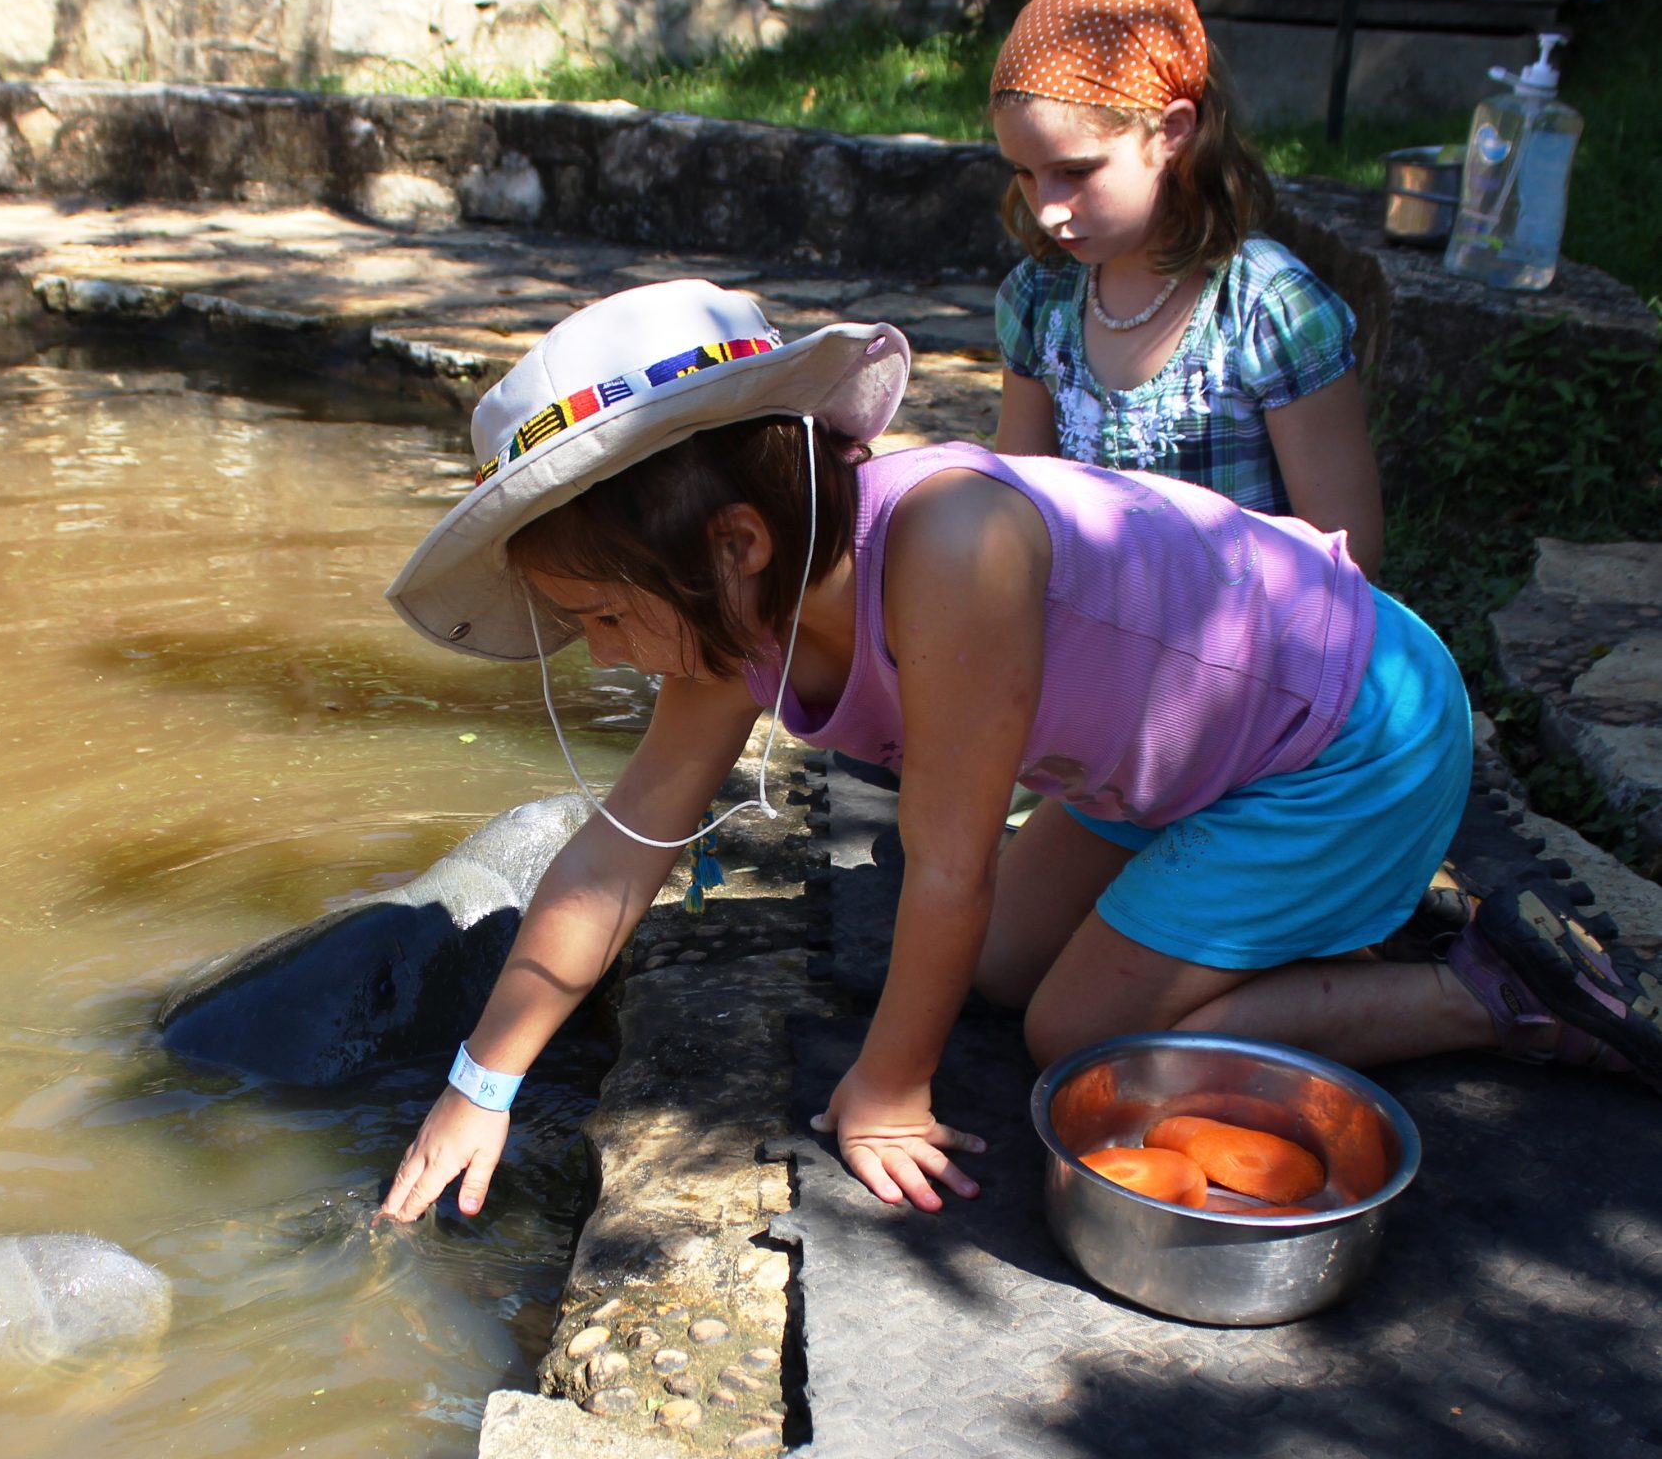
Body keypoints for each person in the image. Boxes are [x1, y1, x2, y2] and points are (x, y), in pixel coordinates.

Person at [375, 279, 1660, 1222]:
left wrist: (889, 1087)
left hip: (1345, 739)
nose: (601, 653)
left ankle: (1489, 992)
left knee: (1071, 1038)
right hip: (1183, 757)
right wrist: (480, 1078)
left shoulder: (951, 547)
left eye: (603, 615)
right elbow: (624, 841)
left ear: (734, 544)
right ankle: (1296, 914)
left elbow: (945, 863)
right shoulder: (735, 614)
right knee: (988, 970)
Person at [987, 0, 1386, 576]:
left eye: (1076, 171)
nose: (1047, 209)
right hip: (1089, 642)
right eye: (1025, 172)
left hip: (1248, 648)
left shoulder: (1268, 309)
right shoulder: (1040, 302)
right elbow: (1014, 512)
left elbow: (1348, 563)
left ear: (1173, 130)